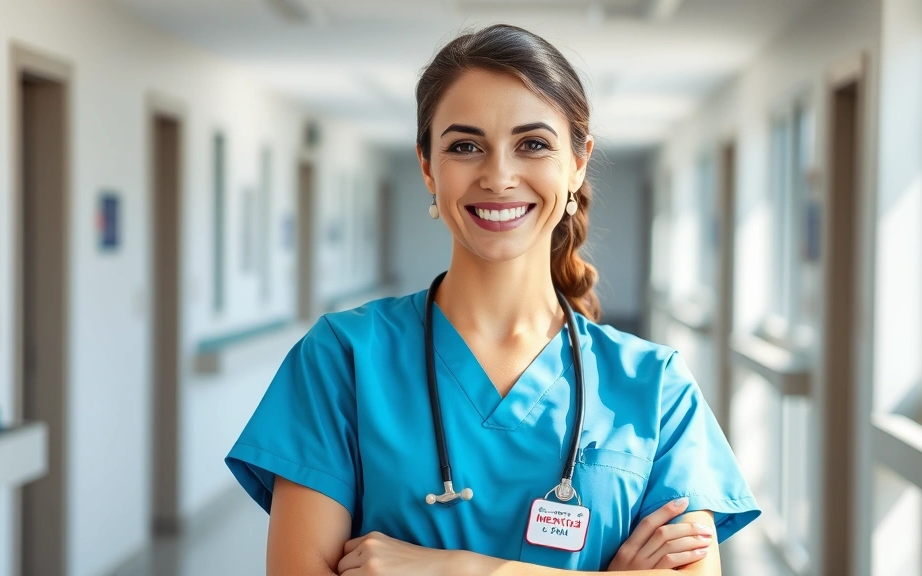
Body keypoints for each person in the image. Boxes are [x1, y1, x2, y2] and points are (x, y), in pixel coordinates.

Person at [225, 23, 759, 575]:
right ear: (428, 166)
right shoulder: (342, 360)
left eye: (532, 144)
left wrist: (457, 569)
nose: (499, 176)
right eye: (465, 146)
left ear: (577, 163)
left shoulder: (657, 387)